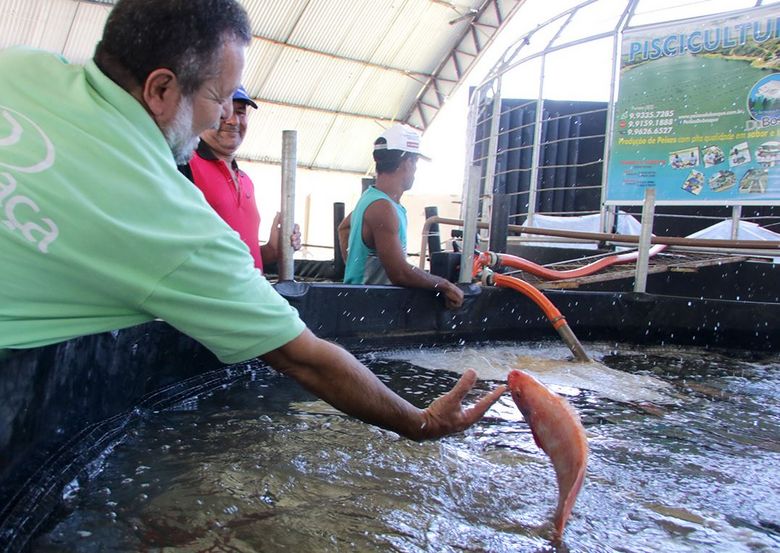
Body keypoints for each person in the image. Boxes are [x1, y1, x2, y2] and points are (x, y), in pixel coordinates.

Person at [0, 0, 503, 441]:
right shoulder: (173, 223)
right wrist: (421, 422)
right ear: (160, 90)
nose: (223, 118)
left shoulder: (21, 63)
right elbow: (305, 358)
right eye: (219, 98)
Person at [338, 124, 464, 309]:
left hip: (359, 302)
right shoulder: (382, 207)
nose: (415, 170)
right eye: (415, 163)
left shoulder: (369, 199)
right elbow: (400, 273)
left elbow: (343, 229)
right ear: (407, 162)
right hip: (367, 308)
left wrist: (354, 268)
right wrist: (444, 285)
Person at [179, 86, 301, 272]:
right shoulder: (184, 165)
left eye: (240, 112)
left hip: (246, 297)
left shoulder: (246, 181)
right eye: (223, 111)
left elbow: (247, 258)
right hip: (208, 298)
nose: (233, 120)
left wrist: (272, 249)